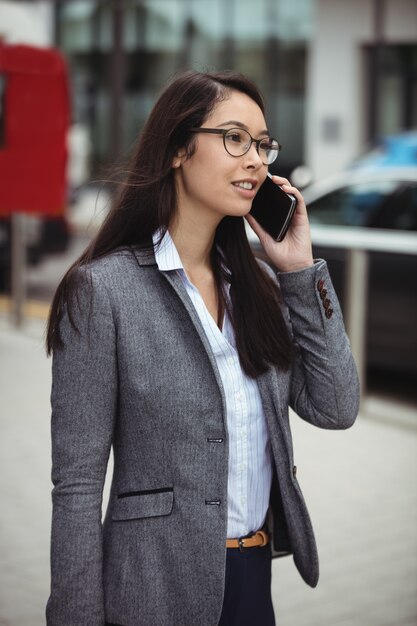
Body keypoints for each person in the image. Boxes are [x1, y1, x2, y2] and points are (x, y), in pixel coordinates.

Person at [45, 70, 359, 626]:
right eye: (235, 138)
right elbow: (77, 485)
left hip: (252, 581)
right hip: (151, 588)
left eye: (263, 145)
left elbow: (336, 407)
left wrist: (298, 272)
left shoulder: (261, 290)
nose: (257, 160)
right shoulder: (104, 291)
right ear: (176, 150)